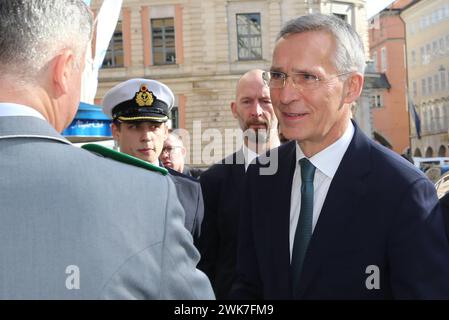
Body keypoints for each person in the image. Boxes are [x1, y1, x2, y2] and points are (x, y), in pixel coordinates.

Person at [0, 0, 213, 299]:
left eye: (153, 127)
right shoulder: (148, 195)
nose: (146, 137)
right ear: (63, 70)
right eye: (81, 68)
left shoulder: (178, 190)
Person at [231, 14, 449, 299]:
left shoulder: (402, 191)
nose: (284, 96)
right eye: (278, 76)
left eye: (307, 77)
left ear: (352, 87)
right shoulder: (262, 175)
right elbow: (248, 286)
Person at [197, 69, 278, 299]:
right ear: (235, 109)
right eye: (247, 102)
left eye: (265, 100)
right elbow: (206, 263)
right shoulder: (213, 182)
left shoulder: (307, 172)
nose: (256, 111)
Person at [103, 78, 204, 241]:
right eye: (134, 127)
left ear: (165, 131)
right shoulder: (98, 186)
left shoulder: (190, 191)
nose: (146, 137)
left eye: (154, 126)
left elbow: (202, 258)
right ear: (116, 131)